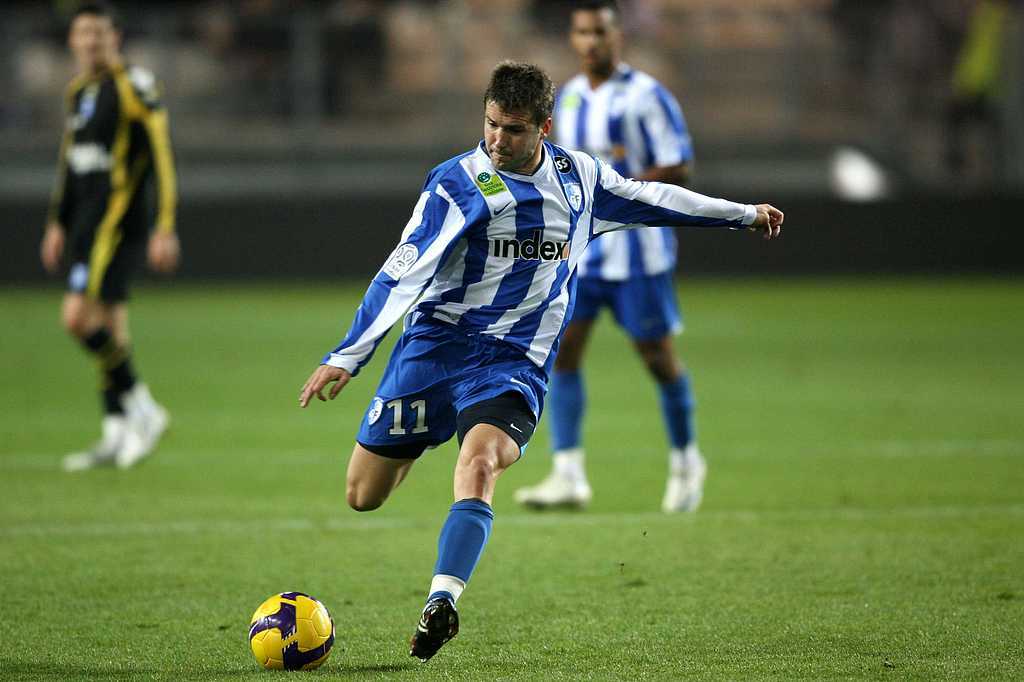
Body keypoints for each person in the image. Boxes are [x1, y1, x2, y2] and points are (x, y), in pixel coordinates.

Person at [299, 61, 782, 663]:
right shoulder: (457, 184)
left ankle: (442, 599)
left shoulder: (580, 182)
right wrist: (350, 354)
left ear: (544, 128)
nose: (498, 140)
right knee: (363, 495)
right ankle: (428, 432)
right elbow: (402, 273)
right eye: (491, 124)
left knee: (480, 463)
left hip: (513, 362)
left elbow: (654, 197)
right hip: (436, 350)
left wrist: (742, 213)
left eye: (514, 129)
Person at [515, 0, 708, 513]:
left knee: (657, 358)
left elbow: (679, 166)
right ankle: (568, 474)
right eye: (582, 32)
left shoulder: (647, 96)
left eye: (600, 31)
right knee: (563, 352)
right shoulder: (570, 98)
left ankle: (687, 461)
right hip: (582, 253)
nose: (591, 41)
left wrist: (621, 193)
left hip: (639, 253)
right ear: (572, 38)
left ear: (617, 35)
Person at [40, 2, 180, 471]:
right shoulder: (78, 91)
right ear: (72, 40)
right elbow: (69, 162)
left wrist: (165, 224)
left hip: (117, 225)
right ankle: (117, 432)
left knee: (77, 319)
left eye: (99, 32)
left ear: (115, 37)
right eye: (83, 33)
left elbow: (161, 155)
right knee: (112, 328)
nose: (91, 41)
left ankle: (143, 408)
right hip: (85, 224)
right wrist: (57, 221)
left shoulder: (134, 85)